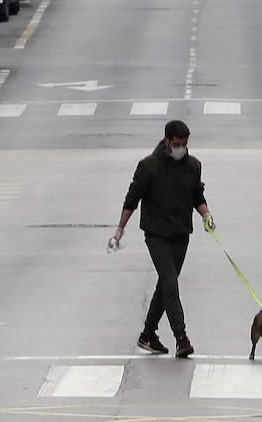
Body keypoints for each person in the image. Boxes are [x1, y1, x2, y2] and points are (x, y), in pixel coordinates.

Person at [109, 119, 215, 357]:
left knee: (165, 285)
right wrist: (119, 230)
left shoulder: (193, 165)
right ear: (166, 141)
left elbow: (197, 195)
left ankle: (148, 335)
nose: (181, 149)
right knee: (170, 283)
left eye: (185, 144)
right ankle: (181, 338)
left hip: (181, 235)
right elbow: (131, 199)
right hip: (156, 234)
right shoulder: (148, 166)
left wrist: (206, 215)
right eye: (177, 144)